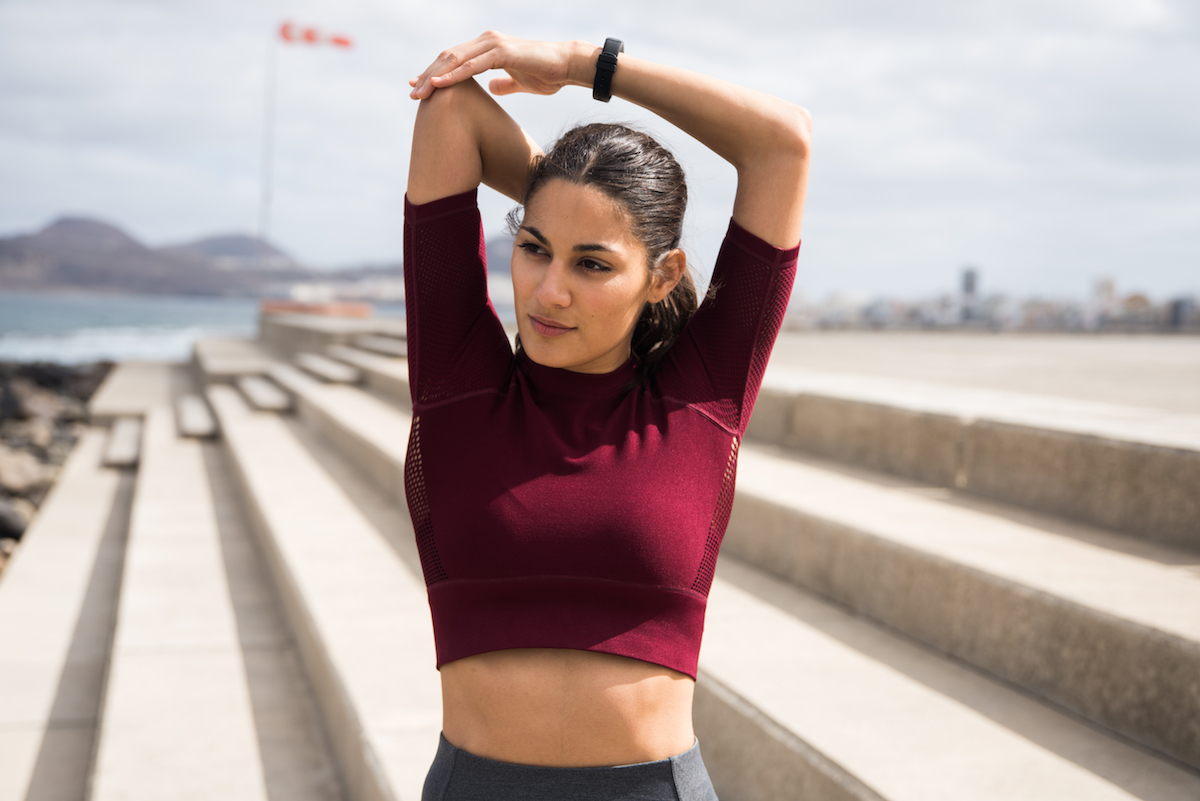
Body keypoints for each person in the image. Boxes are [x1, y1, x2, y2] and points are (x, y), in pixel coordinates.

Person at [404, 31, 810, 800]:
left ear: (663, 276)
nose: (549, 290)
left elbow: (783, 144)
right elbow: (450, 108)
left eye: (592, 262)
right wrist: (576, 194)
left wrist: (580, 65)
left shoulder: (701, 398)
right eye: (534, 248)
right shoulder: (458, 380)